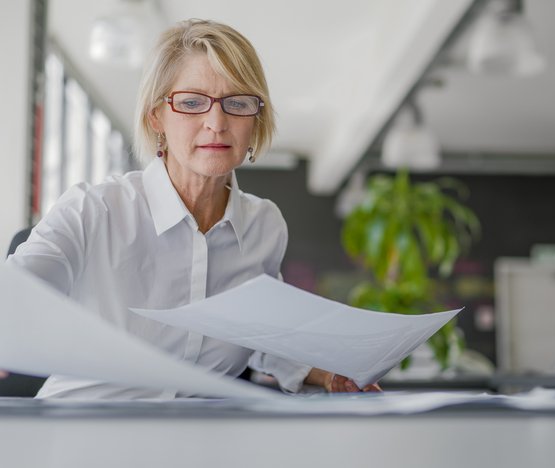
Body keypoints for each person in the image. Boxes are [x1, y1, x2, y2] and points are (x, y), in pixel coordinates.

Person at [5, 19, 380, 398]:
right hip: (85, 433)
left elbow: (258, 334)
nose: (216, 123)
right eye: (191, 103)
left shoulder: (264, 226)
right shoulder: (93, 210)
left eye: (237, 103)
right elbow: (14, 298)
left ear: (256, 118)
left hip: (201, 436)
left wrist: (326, 373)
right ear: (157, 118)